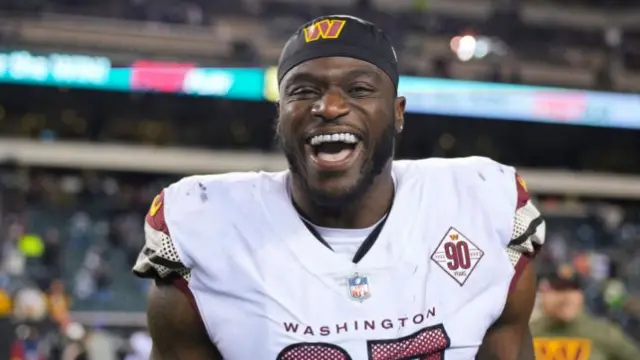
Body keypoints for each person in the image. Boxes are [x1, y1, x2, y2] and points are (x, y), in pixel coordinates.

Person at [133, 15, 546, 359]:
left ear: (398, 113)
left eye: (359, 89)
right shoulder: (205, 226)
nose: (329, 108)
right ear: (280, 116)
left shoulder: (481, 204)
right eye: (304, 91)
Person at [531, 268, 640, 360]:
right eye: (558, 289)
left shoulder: (604, 333)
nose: (567, 297)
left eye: (573, 289)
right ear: (541, 294)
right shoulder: (525, 336)